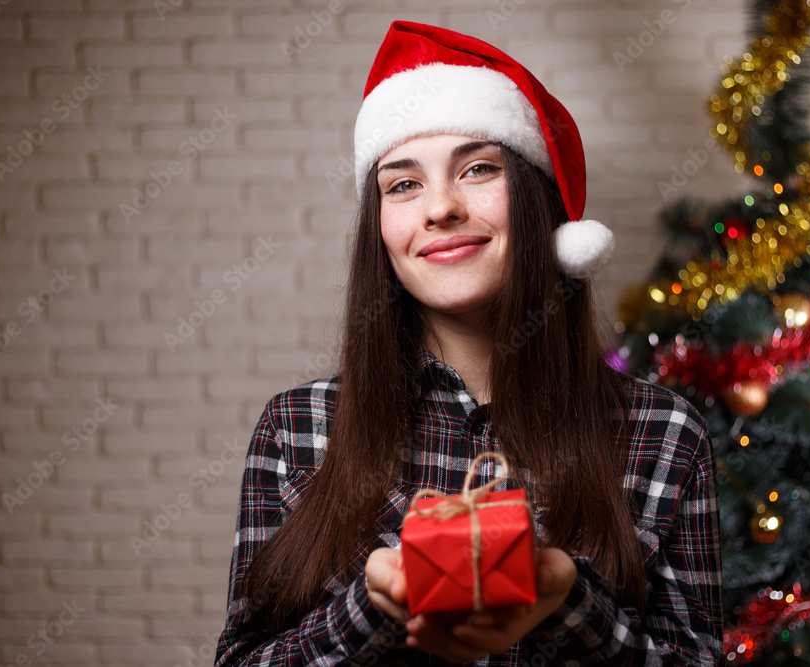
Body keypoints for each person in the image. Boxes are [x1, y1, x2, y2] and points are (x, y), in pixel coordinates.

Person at [214, 21, 722, 666]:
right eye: (403, 183)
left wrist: (569, 601)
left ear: (539, 206)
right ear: (382, 230)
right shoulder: (297, 428)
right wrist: (371, 607)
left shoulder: (664, 430)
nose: (440, 208)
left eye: (478, 168)